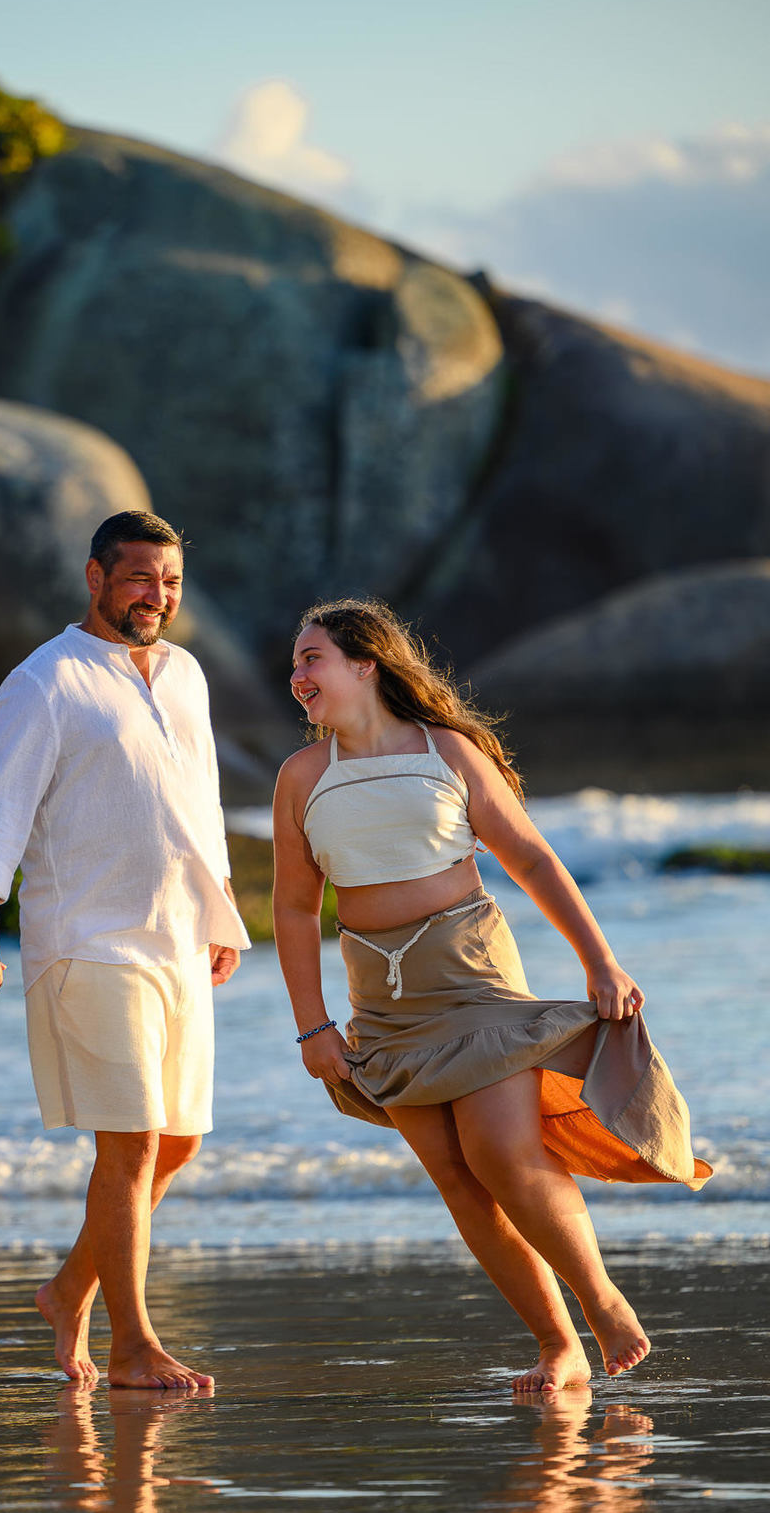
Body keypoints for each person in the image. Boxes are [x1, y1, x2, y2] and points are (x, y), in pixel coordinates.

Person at [272, 598, 709, 1396]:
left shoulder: (445, 750)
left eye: (313, 658)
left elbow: (531, 858)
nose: (297, 674)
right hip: (386, 1006)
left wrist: (601, 961)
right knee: (458, 1179)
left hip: (472, 977)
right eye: (296, 661)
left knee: (501, 1153)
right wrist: (313, 1026)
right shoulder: (303, 776)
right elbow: (296, 909)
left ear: (365, 663)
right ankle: (557, 1344)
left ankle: (601, 1299)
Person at [0, 511, 249, 1390]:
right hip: (88, 939)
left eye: (171, 581)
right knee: (133, 1142)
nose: (158, 595)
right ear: (96, 577)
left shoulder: (185, 674)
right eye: (141, 576)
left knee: (177, 1143)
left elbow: (199, 797)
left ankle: (69, 1289)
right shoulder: (44, 681)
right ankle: (132, 1343)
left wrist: (221, 910)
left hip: (178, 938)